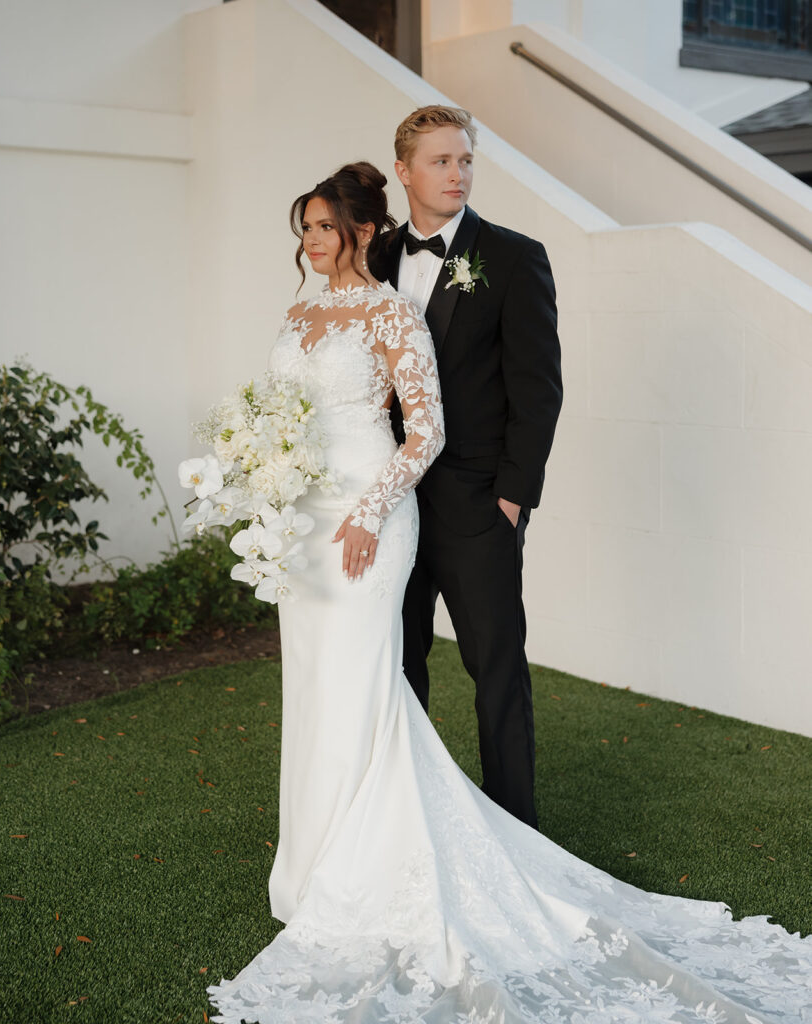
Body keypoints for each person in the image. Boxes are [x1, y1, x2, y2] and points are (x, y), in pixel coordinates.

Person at [207, 162, 810, 1023]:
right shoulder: (298, 312)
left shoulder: (390, 312)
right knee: (311, 687)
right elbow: (280, 414)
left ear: (362, 233)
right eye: (302, 228)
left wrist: (369, 511)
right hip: (298, 524)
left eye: (323, 229)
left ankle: (374, 865)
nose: (309, 243)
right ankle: (309, 866)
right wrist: (261, 482)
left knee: (365, 685)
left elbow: (426, 432)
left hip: (367, 519)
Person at [383, 105, 562, 831]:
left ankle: (517, 828)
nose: (456, 173)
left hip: (477, 506)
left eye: (464, 161)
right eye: (440, 161)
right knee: (396, 666)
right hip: (392, 505)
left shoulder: (515, 257)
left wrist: (512, 500)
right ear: (404, 172)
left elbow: (537, 388)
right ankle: (406, 822)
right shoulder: (374, 257)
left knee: (495, 672)